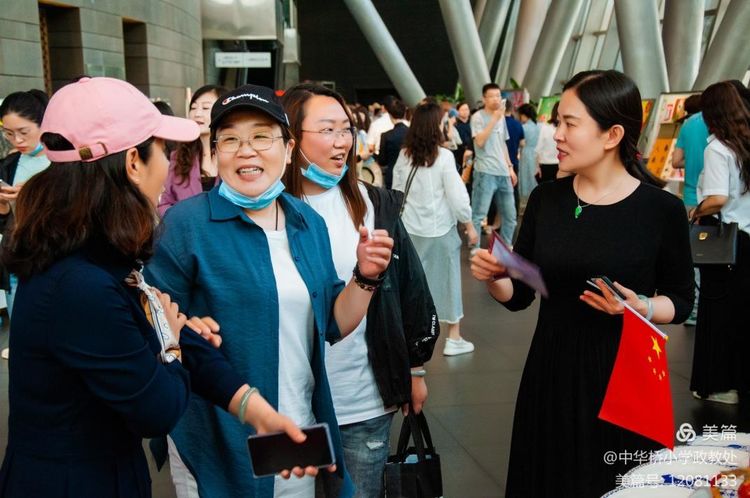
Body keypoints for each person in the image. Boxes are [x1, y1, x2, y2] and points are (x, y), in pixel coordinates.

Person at [0, 77, 307, 498]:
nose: (170, 163)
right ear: (132, 163)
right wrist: (172, 343)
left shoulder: (94, 254)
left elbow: (160, 324)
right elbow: (156, 407)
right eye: (163, 149)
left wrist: (252, 409)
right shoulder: (79, 282)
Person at [145, 84, 394, 498]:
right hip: (217, 437)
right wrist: (185, 328)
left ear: (289, 147)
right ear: (214, 151)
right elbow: (153, 320)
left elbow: (332, 323)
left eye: (262, 136)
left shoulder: (305, 222)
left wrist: (365, 277)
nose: (246, 150)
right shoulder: (188, 225)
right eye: (230, 139)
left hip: (295, 426)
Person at [470, 70, 694, 497]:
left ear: (611, 134)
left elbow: (681, 299)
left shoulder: (660, 209)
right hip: (551, 372)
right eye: (558, 122)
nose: (556, 134)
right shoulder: (546, 200)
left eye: (570, 124)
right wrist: (497, 278)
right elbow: (519, 295)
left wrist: (640, 307)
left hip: (627, 378)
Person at [280, 83, 438, 498]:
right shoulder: (270, 211)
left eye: (346, 130)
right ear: (291, 138)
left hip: (362, 401)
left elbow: (410, 290)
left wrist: (415, 368)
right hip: (287, 404)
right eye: (327, 130)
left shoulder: (373, 204)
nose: (342, 142)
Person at [392, 101, 478, 356]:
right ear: (435, 126)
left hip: (410, 230)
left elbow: (396, 192)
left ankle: (414, 335)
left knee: (414, 283)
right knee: (449, 280)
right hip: (440, 229)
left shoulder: (404, 154)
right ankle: (453, 337)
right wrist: (470, 225)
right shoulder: (444, 157)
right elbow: (458, 197)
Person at [689, 81, 750, 405]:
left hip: (726, 240)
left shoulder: (717, 148)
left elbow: (717, 198)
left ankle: (719, 384)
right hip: (748, 239)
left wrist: (694, 212)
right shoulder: (744, 144)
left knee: (718, 310)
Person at [0, 89, 51, 360]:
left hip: (52, 259)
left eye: (23, 131)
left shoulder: (62, 162)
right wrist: (4, 206)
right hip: (17, 256)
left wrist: (32, 197)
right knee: (21, 331)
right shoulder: (9, 164)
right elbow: (4, 222)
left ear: (43, 124)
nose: (16, 140)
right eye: (8, 133)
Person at [158, 84, 226, 216]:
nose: (197, 113)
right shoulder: (178, 157)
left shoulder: (237, 154)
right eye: (193, 108)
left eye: (205, 107)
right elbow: (164, 202)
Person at [672, 94, 708, 327]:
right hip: (713, 199)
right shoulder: (719, 123)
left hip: (690, 196)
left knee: (695, 255)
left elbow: (676, 161)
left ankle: (693, 310)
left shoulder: (688, 124)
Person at [470, 83, 518, 249]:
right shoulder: (477, 117)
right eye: (492, 96)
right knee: (478, 215)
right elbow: (480, 141)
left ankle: (505, 248)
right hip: (485, 172)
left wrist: (510, 167)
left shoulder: (502, 117)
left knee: (510, 216)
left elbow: (502, 144)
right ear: (484, 98)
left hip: (503, 172)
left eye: (498, 95)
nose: (496, 99)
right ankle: (475, 250)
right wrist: (494, 119)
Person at [375, 98, 408, 188]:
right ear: (405, 114)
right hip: (410, 175)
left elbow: (382, 161)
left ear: (389, 115)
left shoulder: (386, 135)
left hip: (392, 176)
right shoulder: (412, 133)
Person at [517, 103, 540, 202]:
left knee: (525, 178)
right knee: (534, 178)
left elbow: (521, 143)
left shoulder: (523, 127)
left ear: (523, 114)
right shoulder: (538, 126)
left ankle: (526, 202)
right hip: (537, 154)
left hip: (526, 154)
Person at [535, 101, 560, 183]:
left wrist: (537, 167)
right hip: (561, 165)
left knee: (546, 192)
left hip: (545, 165)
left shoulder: (545, 128)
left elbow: (538, 149)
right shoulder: (567, 129)